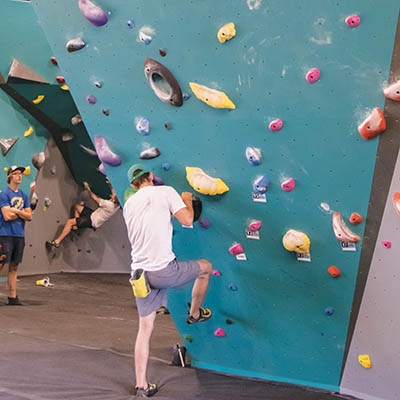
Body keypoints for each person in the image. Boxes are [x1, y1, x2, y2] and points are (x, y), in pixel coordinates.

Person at [123, 163, 212, 398]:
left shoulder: (129, 204)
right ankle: (194, 314)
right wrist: (186, 199)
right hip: (163, 270)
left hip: (139, 275)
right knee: (206, 268)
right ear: (151, 177)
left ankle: (141, 385)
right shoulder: (166, 191)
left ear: (133, 185)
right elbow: (187, 220)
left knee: (145, 329)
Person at [46, 180, 120, 250]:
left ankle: (57, 242)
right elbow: (114, 193)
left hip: (92, 221)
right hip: (94, 214)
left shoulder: (109, 205)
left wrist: (88, 189)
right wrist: (110, 183)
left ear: (114, 200)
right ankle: (75, 227)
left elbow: (96, 199)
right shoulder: (117, 205)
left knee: (70, 222)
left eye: (114, 196)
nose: (113, 194)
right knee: (76, 207)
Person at [0, 166, 32, 305]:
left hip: (19, 235)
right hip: (5, 234)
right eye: (16, 174)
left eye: (21, 174)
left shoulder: (24, 195)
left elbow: (29, 216)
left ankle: (12, 297)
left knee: (14, 266)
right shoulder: (4, 194)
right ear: (10, 177)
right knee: (1, 264)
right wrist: (21, 213)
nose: (20, 176)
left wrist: (15, 211)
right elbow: (7, 216)